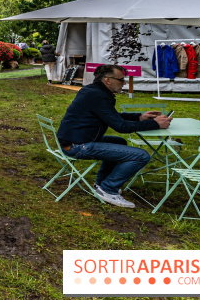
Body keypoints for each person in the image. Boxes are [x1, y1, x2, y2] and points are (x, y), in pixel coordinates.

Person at [56, 64, 171, 208]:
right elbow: (120, 126)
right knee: (141, 156)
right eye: (121, 80)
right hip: (77, 145)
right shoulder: (98, 96)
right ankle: (108, 189)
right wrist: (155, 124)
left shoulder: (93, 91)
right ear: (108, 80)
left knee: (120, 142)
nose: (124, 83)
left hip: (75, 140)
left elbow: (112, 116)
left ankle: (101, 184)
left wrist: (139, 117)